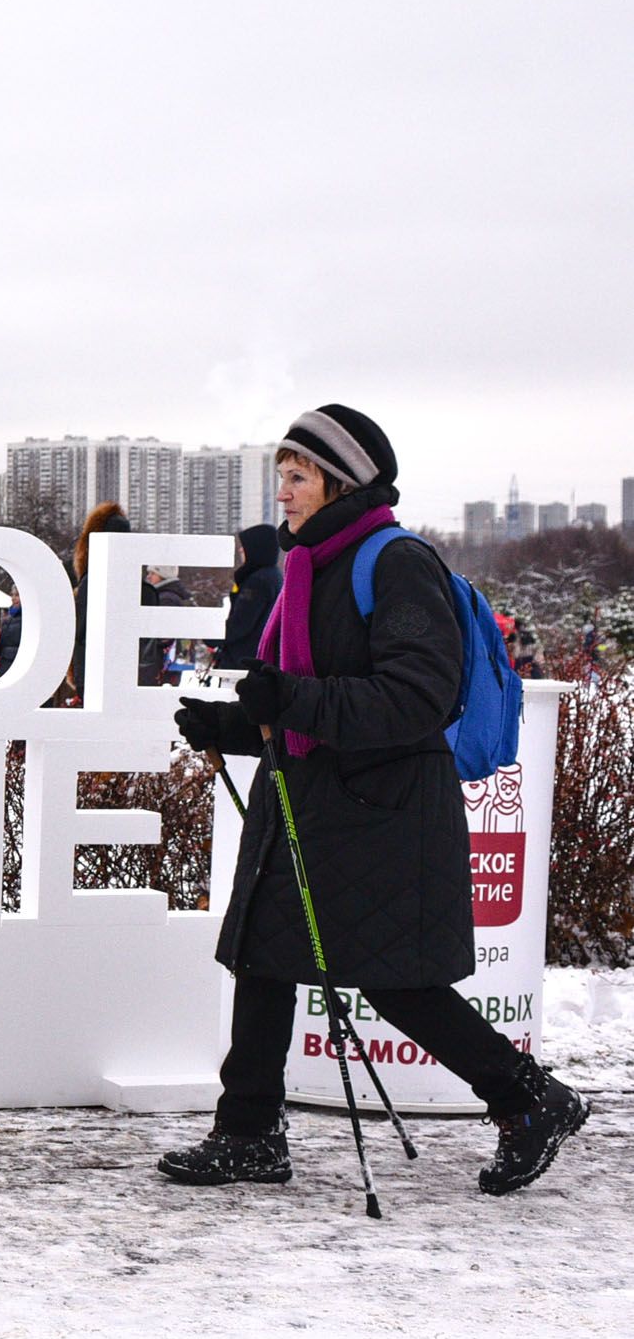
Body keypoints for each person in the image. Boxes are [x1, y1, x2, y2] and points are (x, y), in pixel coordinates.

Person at [166, 405, 588, 1195]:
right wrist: (233, 722)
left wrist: (285, 699)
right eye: (279, 477)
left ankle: (528, 1099)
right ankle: (248, 1132)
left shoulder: (393, 563)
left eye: (296, 477)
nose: (281, 494)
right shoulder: (307, 568)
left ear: (341, 481)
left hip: (384, 810)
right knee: (260, 957)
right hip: (310, 799)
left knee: (396, 981)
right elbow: (300, 703)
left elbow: (412, 698)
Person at [64, 502, 160, 699]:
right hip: (128, 674)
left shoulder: (92, 581)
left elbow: (81, 633)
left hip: (94, 672)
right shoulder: (137, 584)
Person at [216, 524, 280, 673]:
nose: (240, 550)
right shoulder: (273, 576)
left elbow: (241, 623)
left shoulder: (257, 582)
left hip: (243, 662)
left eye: (245, 546)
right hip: (257, 660)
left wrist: (214, 636)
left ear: (257, 548)